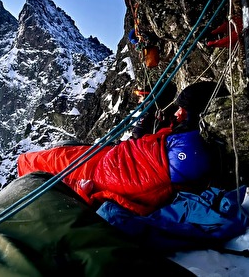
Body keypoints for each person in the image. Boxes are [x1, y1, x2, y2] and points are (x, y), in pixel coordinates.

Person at [18, 81, 228, 216]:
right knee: (129, 150)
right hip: (129, 163)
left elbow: (73, 212)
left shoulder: (38, 190)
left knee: (132, 152)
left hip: (159, 168)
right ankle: (172, 114)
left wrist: (84, 195)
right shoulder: (46, 170)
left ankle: (176, 117)